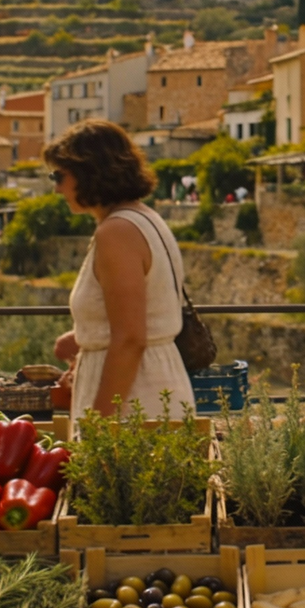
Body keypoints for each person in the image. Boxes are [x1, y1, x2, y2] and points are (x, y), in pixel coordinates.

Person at [48, 120, 194, 418]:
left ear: (88, 172)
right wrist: (84, 336)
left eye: (59, 176)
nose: (57, 188)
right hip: (153, 385)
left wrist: (100, 424)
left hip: (135, 398)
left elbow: (130, 339)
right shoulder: (143, 219)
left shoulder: (117, 232)